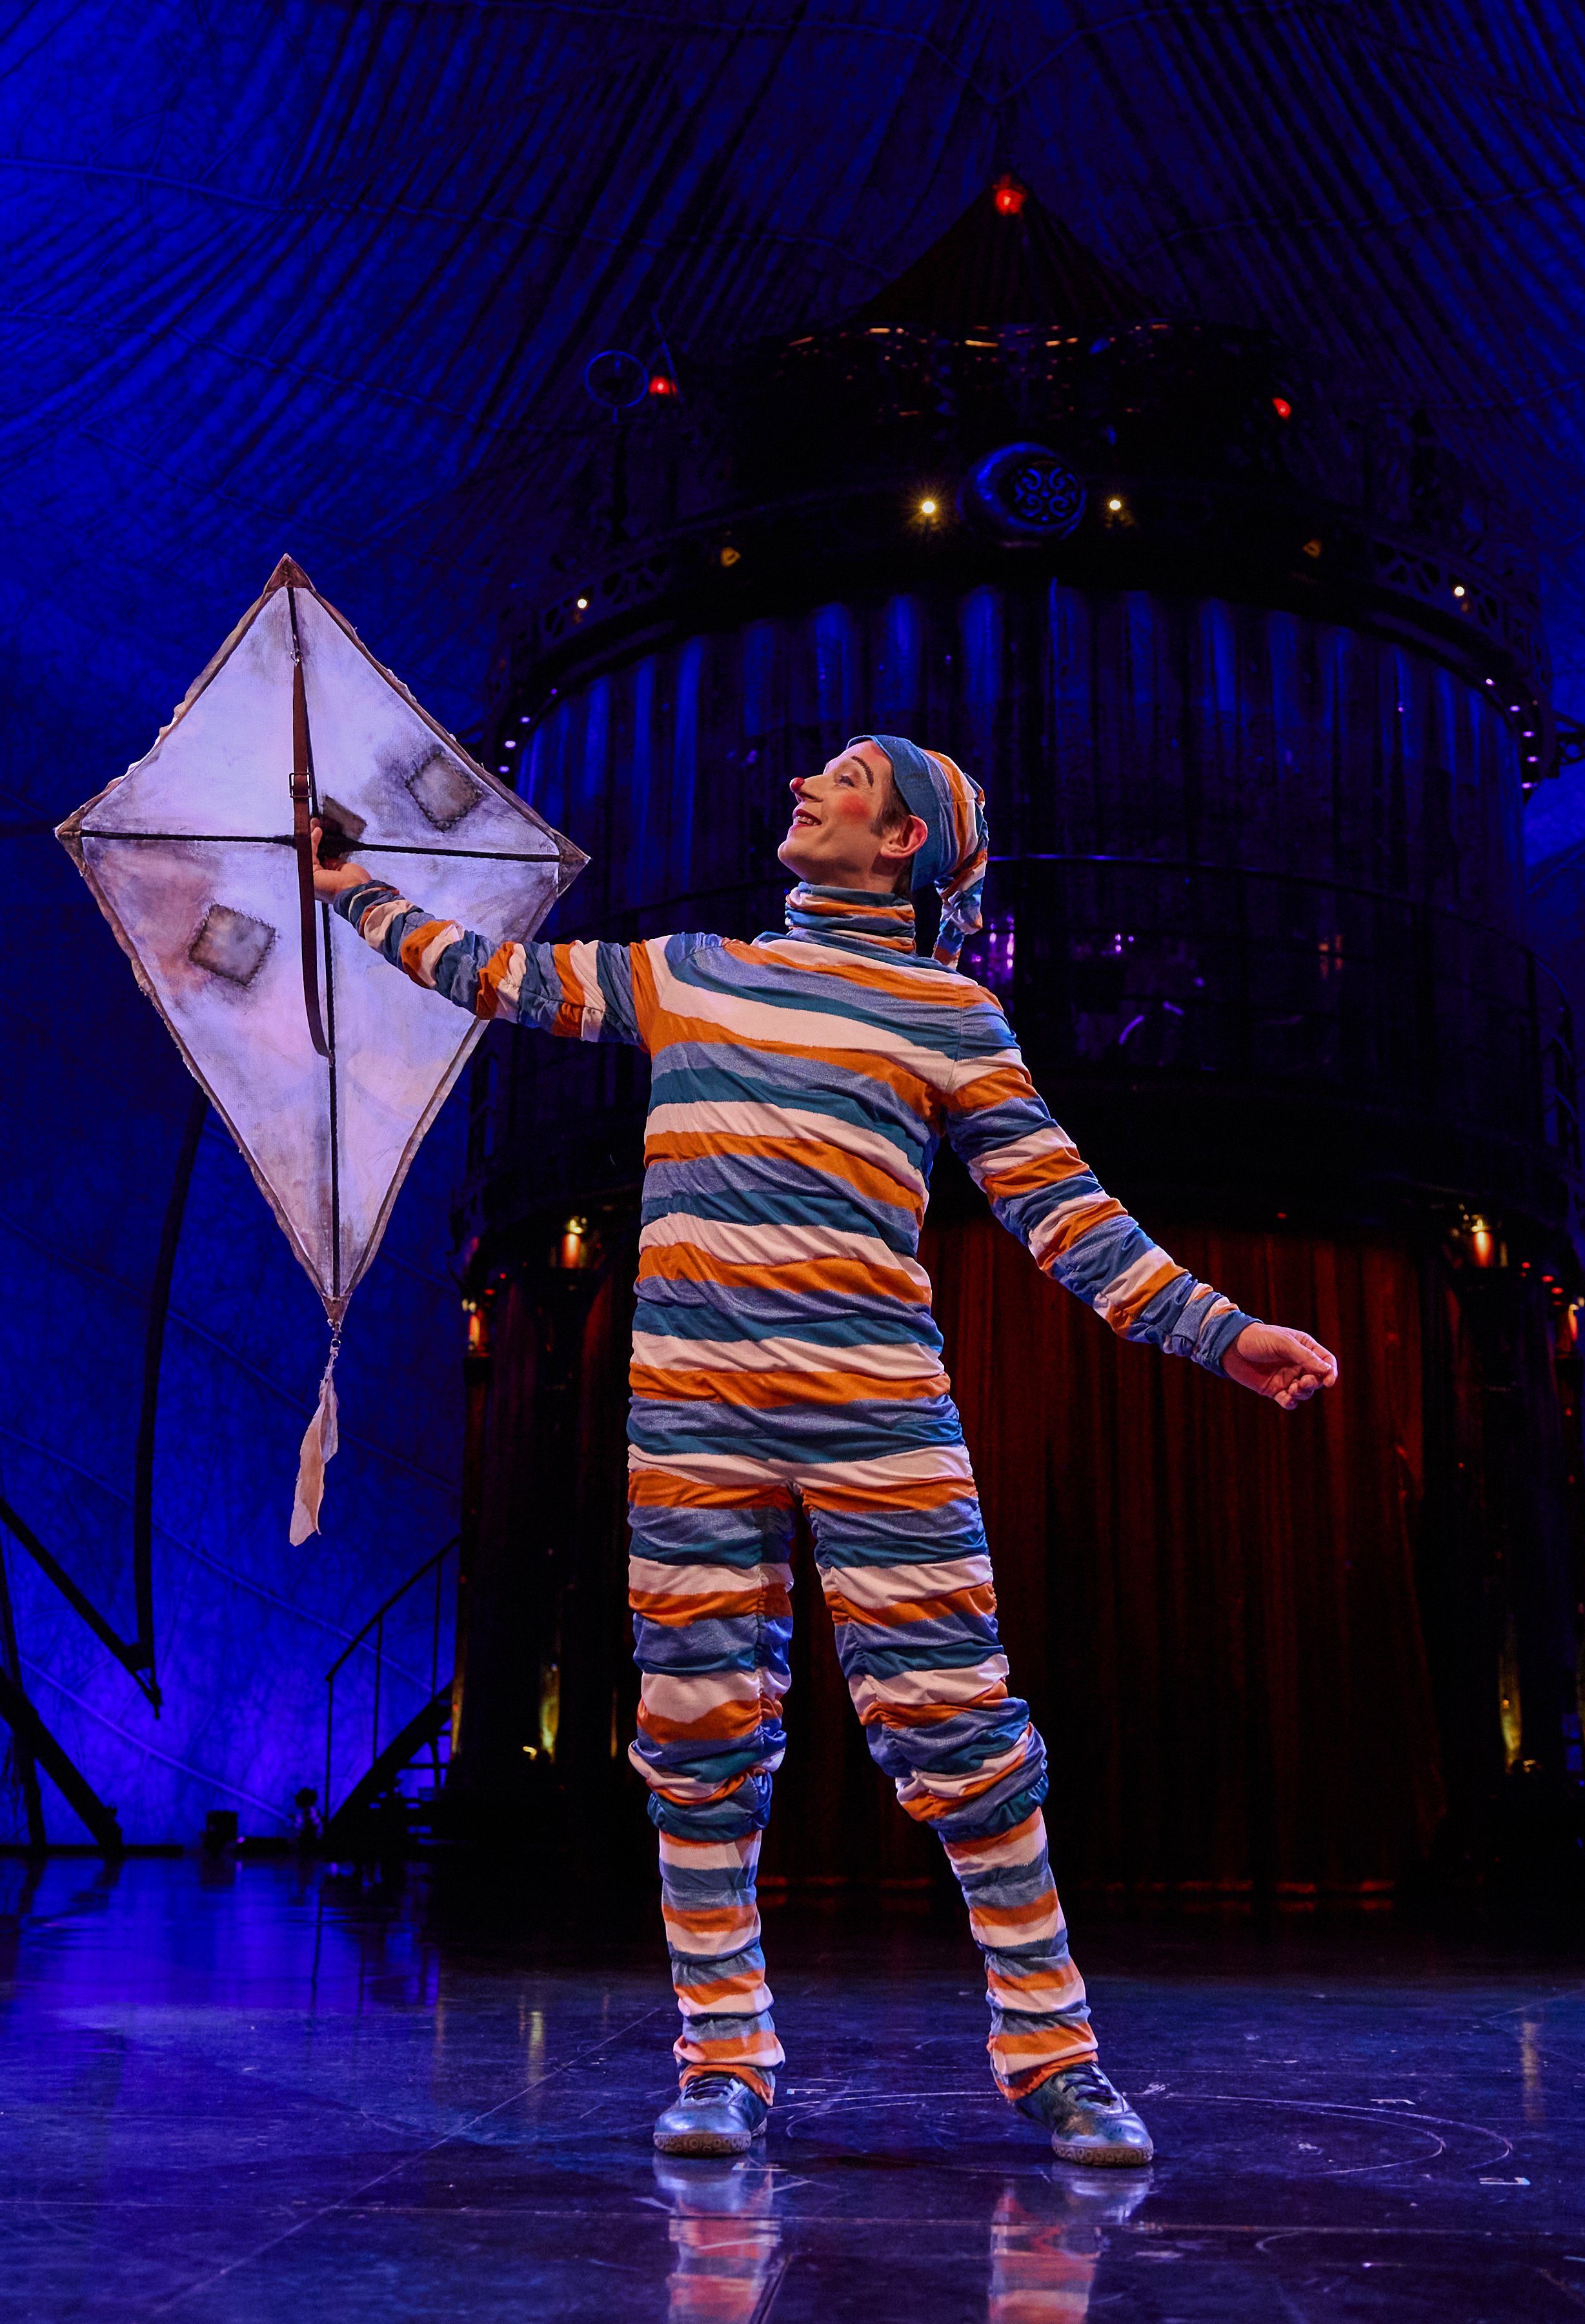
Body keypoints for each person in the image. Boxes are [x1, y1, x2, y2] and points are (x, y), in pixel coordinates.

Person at [315, 734, 1340, 2167]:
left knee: (962, 1729)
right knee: (695, 1736)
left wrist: (1225, 1334)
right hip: (690, 1414)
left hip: (876, 1410)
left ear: (907, 839)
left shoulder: (948, 1015)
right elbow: (494, 975)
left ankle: (1054, 2053)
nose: (807, 785)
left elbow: (1067, 1213)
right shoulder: (688, 973)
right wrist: (350, 887)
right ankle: (723, 2059)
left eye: (847, 779)